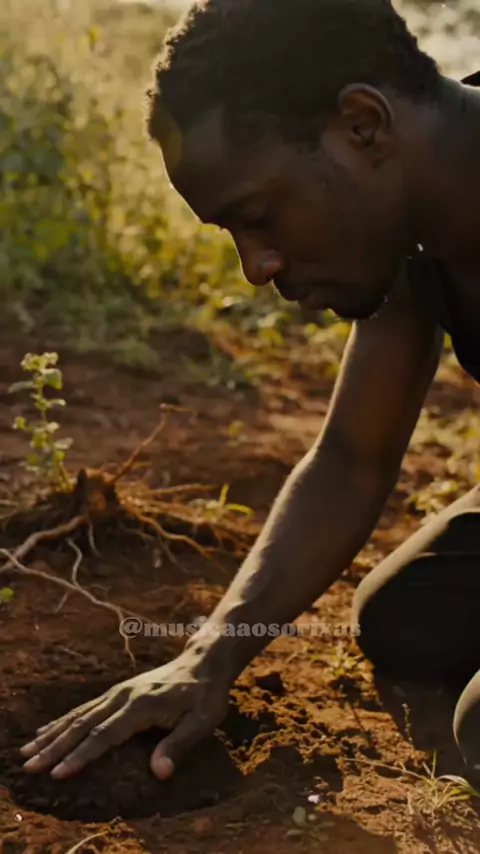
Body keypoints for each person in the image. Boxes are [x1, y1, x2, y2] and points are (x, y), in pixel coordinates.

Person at [19, 0, 480, 783]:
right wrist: (209, 656)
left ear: (362, 125)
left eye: (260, 216)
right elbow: (351, 460)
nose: (256, 268)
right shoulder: (419, 218)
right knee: (411, 617)